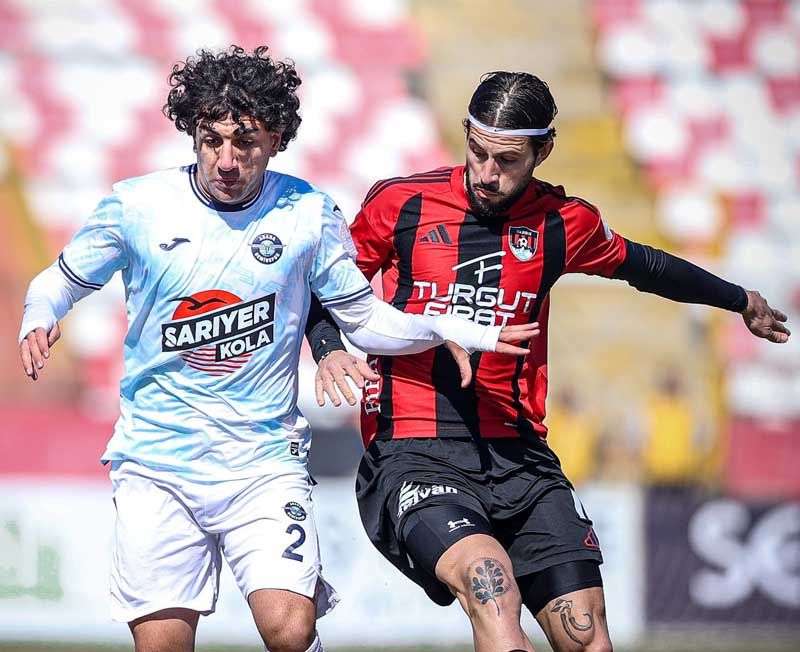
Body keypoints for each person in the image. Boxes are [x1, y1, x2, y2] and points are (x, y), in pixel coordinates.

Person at [16, 50, 537, 652]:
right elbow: (58, 281)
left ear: (277, 139)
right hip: (158, 463)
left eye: (245, 142)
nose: (226, 160)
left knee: (290, 627)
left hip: (262, 460)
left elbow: (364, 321)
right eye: (211, 140)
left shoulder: (307, 214)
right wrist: (39, 315)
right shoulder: (137, 206)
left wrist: (450, 330)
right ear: (192, 133)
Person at [306, 71, 791, 652]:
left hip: (520, 456)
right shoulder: (400, 203)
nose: (487, 173)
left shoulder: (564, 222)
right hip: (414, 450)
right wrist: (329, 349)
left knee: (587, 635)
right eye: (478, 152)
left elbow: (646, 266)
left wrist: (739, 300)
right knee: (490, 587)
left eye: (507, 160)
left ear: (544, 151)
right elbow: (322, 288)